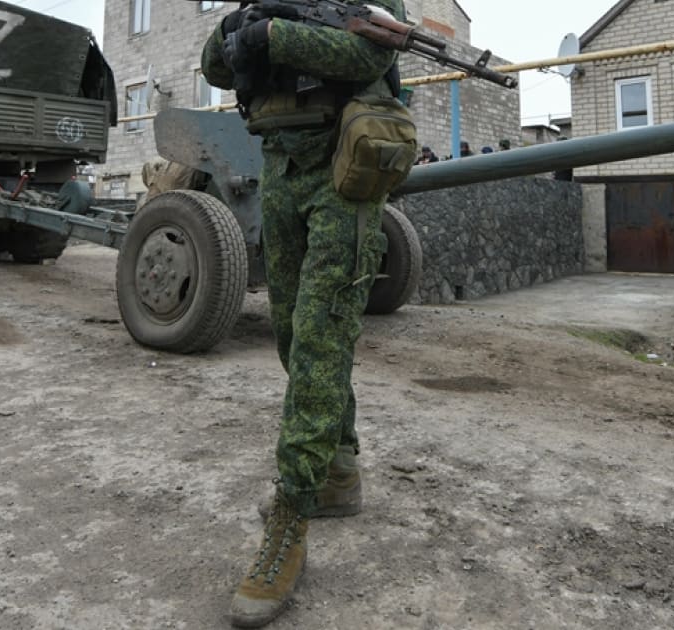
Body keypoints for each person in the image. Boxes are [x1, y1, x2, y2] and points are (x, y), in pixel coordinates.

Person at [200, 2, 410, 627]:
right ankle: (339, 472)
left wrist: (271, 36)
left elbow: (370, 54)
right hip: (280, 169)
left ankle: (291, 516)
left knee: (321, 340)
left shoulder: (358, 8)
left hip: (344, 169)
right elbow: (214, 65)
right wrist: (241, 27)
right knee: (293, 336)